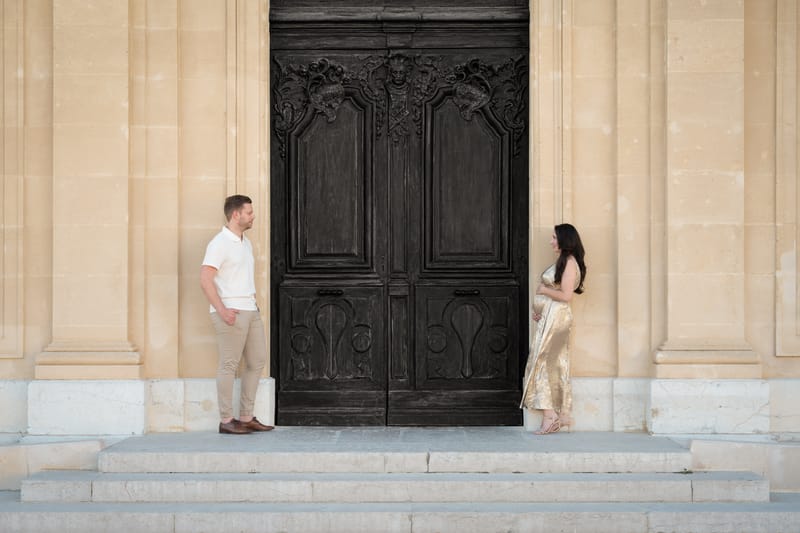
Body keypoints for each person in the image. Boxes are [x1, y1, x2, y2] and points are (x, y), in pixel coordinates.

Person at [200, 194, 273, 434]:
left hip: (250, 310)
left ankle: (245, 416)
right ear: (236, 215)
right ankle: (226, 420)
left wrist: (254, 305)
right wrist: (222, 310)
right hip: (231, 312)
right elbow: (205, 279)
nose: (253, 216)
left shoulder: (245, 242)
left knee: (257, 360)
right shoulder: (219, 243)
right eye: (249, 212)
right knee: (229, 364)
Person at [520, 223, 587, 435]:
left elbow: (566, 296)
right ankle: (555, 416)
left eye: (554, 238)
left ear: (565, 240)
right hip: (550, 317)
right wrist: (540, 310)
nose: (551, 242)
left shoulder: (569, 263)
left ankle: (552, 417)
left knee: (545, 364)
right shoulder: (563, 262)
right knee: (545, 364)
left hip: (557, 319)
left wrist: (544, 291)